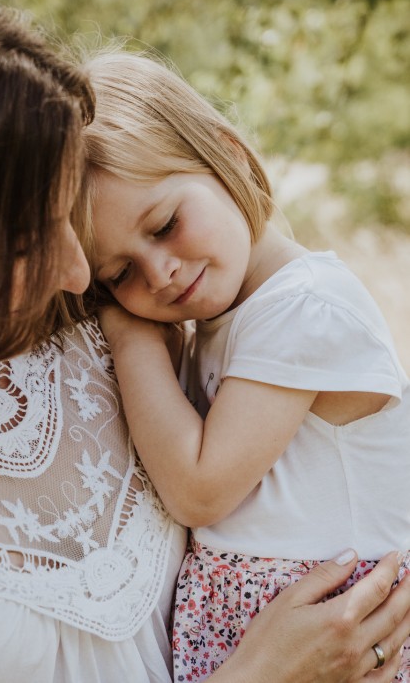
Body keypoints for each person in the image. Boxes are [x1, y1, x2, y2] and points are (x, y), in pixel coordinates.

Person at [0, 0, 409, 683]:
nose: (81, 279)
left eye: (166, 224)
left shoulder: (246, 313)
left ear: (227, 151)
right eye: (28, 240)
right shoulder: (146, 318)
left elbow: (214, 484)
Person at [78, 48, 410, 681]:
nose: (160, 271)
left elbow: (199, 490)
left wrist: (128, 334)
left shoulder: (304, 307)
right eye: (119, 275)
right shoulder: (225, 320)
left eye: (166, 224)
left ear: (227, 156)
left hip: (341, 640)